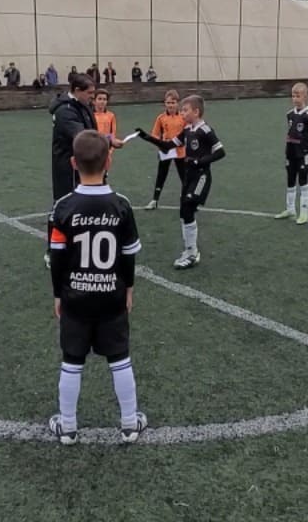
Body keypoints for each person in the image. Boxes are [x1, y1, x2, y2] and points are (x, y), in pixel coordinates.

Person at [47, 131, 147, 445]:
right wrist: (128, 288)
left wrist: (58, 294)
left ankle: (68, 426)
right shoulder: (121, 205)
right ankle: (129, 424)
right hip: (111, 296)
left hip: (75, 298)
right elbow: (128, 255)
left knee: (71, 360)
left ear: (73, 163)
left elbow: (57, 258)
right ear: (109, 163)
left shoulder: (63, 207)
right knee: (120, 358)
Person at [135, 95, 225, 269]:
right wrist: (146, 137)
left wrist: (199, 161)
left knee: (189, 207)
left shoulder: (205, 130)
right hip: (189, 176)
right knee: (184, 212)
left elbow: (220, 152)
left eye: (185, 110)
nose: (182, 113)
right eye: (182, 110)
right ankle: (190, 250)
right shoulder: (188, 130)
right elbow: (168, 145)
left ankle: (192, 254)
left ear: (196, 112)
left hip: (201, 176)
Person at [47, 74, 100, 267]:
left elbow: (91, 131)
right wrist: (108, 140)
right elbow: (82, 136)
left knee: (85, 205)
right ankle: (52, 252)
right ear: (77, 90)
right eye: (89, 93)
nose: (92, 97)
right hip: (67, 167)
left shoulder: (82, 105)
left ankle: (77, 246)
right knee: (62, 206)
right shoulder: (65, 111)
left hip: (84, 165)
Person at [274, 83, 308, 225]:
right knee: (290, 180)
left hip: (303, 154)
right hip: (290, 153)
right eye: (293, 96)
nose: (295, 99)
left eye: (298, 96)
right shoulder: (290, 114)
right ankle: (290, 209)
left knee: (303, 181)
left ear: (305, 96)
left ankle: (304, 213)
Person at [145, 89, 186, 211]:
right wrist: (160, 146)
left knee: (184, 176)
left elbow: (188, 132)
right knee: (161, 175)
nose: (170, 105)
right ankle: (155, 200)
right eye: (168, 103)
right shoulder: (161, 118)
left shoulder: (183, 117)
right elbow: (155, 134)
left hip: (180, 151)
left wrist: (183, 142)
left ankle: (187, 200)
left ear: (177, 103)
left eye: (173, 102)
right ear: (164, 103)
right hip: (166, 151)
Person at [93, 89, 119, 175]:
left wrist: (110, 151)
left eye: (104, 99)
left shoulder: (111, 116)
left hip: (105, 150)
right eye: (99, 99)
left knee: (103, 176)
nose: (102, 101)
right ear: (94, 101)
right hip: (92, 149)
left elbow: (112, 134)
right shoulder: (90, 115)